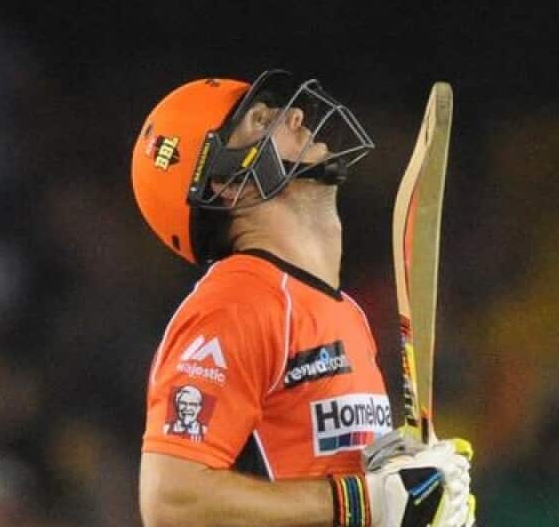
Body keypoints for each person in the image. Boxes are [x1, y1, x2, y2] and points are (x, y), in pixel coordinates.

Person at [130, 70, 476, 527]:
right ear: (227, 183)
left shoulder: (342, 310)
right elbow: (171, 501)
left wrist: (411, 490)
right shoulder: (236, 303)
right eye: (260, 120)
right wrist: (366, 501)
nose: (294, 114)